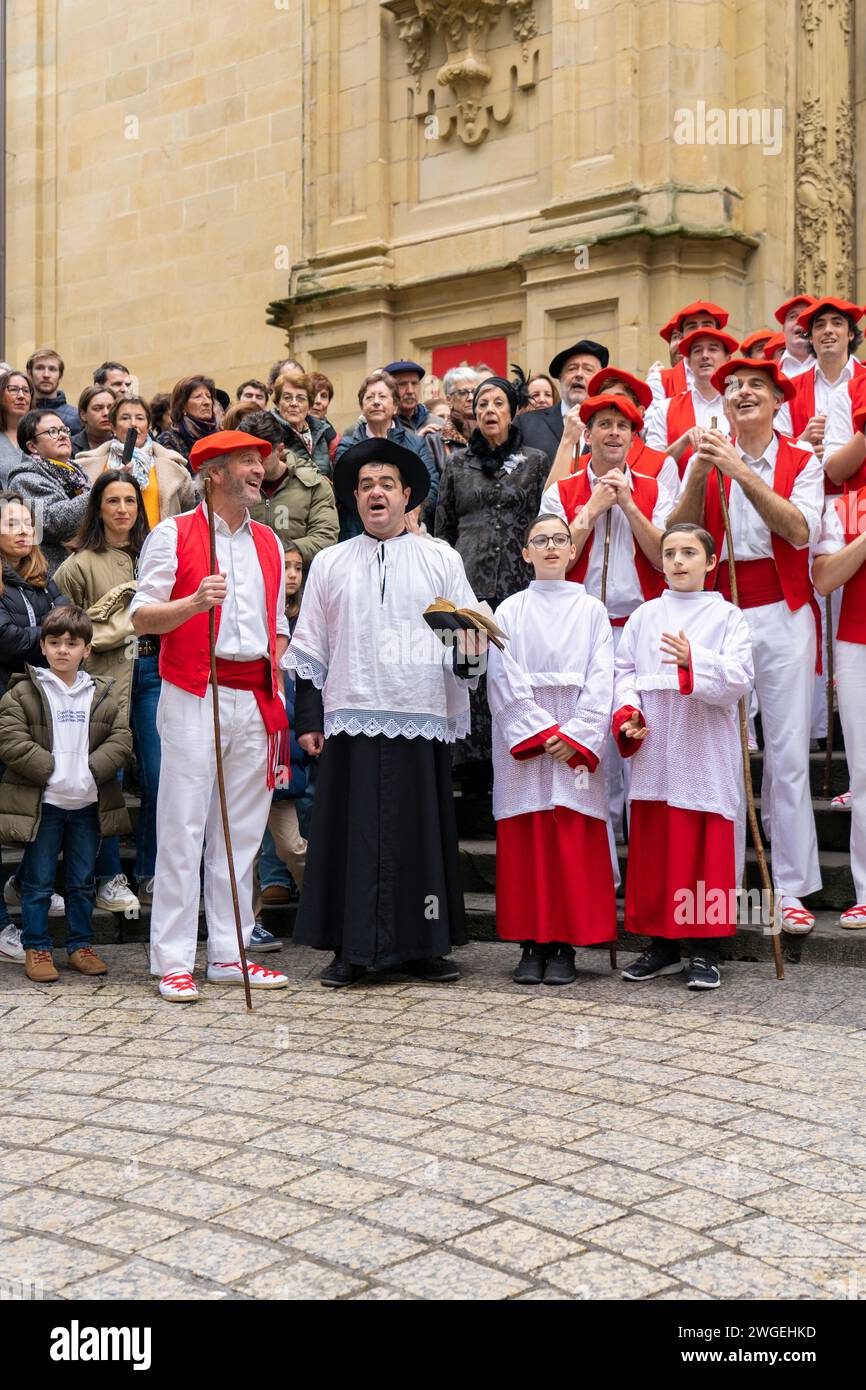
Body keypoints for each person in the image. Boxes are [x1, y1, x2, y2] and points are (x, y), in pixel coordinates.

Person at [287, 437, 482, 987]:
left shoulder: (441, 557)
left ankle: (424, 945)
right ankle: (351, 948)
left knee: (420, 833)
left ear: (407, 498)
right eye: (367, 485)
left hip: (419, 712)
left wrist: (471, 655)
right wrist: (307, 720)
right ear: (355, 497)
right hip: (350, 714)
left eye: (387, 485)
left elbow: (467, 637)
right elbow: (310, 649)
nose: (376, 493)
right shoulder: (329, 562)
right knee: (351, 835)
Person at [130, 429, 290, 1001]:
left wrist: (277, 670)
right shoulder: (172, 534)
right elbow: (142, 616)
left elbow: (278, 627)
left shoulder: (269, 540)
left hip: (256, 696)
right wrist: (194, 603)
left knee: (242, 833)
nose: (258, 470)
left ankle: (231, 952)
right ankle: (172, 958)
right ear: (214, 473)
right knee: (182, 825)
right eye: (247, 462)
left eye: (260, 462)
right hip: (195, 690)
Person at [667, 355, 824, 933]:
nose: (741, 393)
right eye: (732, 387)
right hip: (720, 610)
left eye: (756, 385)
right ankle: (723, 888)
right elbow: (674, 536)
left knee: (784, 757)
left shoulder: (803, 461)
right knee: (722, 754)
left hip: (782, 611)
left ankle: (789, 888)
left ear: (779, 402)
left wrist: (741, 468)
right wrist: (700, 474)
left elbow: (799, 531)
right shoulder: (705, 458)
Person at [614, 524, 754, 990]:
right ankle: (663, 943)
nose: (677, 561)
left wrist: (695, 660)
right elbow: (623, 671)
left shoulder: (728, 616)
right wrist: (629, 712)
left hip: (703, 744)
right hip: (656, 745)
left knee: (703, 844)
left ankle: (705, 948)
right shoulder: (645, 615)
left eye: (689, 552)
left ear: (711, 562)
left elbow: (738, 679)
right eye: (669, 552)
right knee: (657, 846)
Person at [538, 393, 676, 853]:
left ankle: (642, 861)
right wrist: (592, 508)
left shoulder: (656, 485)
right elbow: (552, 556)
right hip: (585, 628)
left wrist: (630, 506)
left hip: (640, 626)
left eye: (622, 426)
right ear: (589, 434)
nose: (614, 432)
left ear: (633, 437)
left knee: (639, 740)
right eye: (604, 425)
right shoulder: (563, 489)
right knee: (594, 744)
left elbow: (663, 556)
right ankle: (604, 864)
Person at [487, 514, 615, 985]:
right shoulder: (509, 611)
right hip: (528, 739)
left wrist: (579, 732)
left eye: (560, 539)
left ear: (573, 550)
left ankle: (563, 944)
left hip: (574, 735)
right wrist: (541, 731)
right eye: (540, 540)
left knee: (570, 836)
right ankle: (530, 942)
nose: (551, 547)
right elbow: (501, 674)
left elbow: (603, 677)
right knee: (530, 836)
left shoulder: (592, 611)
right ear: (525, 553)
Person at [0, 605, 131, 983]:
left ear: (86, 650)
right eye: (54, 642)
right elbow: (10, 739)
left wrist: (91, 770)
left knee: (80, 881)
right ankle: (37, 947)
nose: (62, 650)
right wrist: (54, 770)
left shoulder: (101, 693)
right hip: (46, 806)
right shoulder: (23, 690)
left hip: (88, 804)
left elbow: (121, 739)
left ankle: (80, 946)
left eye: (71, 644)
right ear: (42, 647)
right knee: (39, 881)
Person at [435, 376, 550, 788]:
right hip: (469, 583)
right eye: (481, 403)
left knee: (513, 673)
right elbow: (444, 528)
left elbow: (543, 519)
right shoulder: (456, 464)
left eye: (497, 402)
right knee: (470, 674)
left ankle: (516, 761)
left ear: (512, 409)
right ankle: (470, 777)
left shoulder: (535, 461)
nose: (488, 410)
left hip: (519, 584)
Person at [55, 472, 158, 914]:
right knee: (107, 778)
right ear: (97, 507)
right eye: (112, 501)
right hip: (104, 680)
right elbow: (62, 629)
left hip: (155, 673)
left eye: (130, 501)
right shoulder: (78, 563)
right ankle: (108, 875)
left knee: (160, 775)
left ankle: (153, 869)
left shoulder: (155, 554)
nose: (122, 509)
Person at [0, 492, 69, 960]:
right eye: (11, 523)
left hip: (38, 712)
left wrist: (46, 634)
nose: (23, 530)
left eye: (28, 522)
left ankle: (24, 884)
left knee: (40, 805)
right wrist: (45, 637)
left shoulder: (45, 580)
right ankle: (3, 924)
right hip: (3, 705)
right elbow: (5, 639)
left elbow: (71, 625)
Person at [334, 371, 436, 539]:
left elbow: (431, 483)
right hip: (357, 531)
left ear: (395, 406)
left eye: (382, 397)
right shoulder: (348, 445)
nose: (376, 402)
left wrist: (412, 508)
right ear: (362, 406)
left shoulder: (414, 443)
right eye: (369, 397)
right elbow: (344, 489)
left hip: (405, 529)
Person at [237, 409, 339, 569]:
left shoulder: (312, 483)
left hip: (296, 583)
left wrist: (278, 552)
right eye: (247, 457)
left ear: (279, 450)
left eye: (262, 456)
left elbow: (325, 537)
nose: (255, 465)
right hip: (246, 576)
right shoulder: (234, 485)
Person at [76, 394, 195, 525]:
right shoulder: (86, 466)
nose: (133, 424)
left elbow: (188, 512)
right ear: (113, 426)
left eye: (139, 418)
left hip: (159, 543)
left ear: (148, 425)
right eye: (125, 418)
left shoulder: (174, 466)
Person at [776, 297, 866, 456]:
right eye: (819, 325)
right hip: (810, 480)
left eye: (837, 323)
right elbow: (775, 452)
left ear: (850, 334)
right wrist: (803, 443)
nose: (828, 330)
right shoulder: (789, 390)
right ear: (810, 337)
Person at [644, 328, 738, 474]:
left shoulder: (743, 407)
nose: (705, 356)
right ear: (688, 361)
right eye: (697, 351)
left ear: (728, 358)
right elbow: (650, 469)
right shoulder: (664, 409)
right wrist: (683, 441)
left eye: (712, 349)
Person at [8, 411, 91, 573]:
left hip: (85, 567)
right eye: (52, 431)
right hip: (51, 574)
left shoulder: (77, 472)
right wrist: (97, 494)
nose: (62, 436)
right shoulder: (24, 479)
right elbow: (53, 524)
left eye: (64, 430)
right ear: (32, 446)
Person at [517, 339, 609, 463]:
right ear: (560, 377)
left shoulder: (612, 428)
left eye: (588, 369)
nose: (579, 374)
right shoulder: (526, 424)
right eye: (572, 369)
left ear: (600, 380)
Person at [646, 301, 730, 404]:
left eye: (707, 325)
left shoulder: (735, 379)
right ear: (682, 336)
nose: (699, 331)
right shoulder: (660, 380)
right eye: (692, 327)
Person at [271, 371, 333, 477]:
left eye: (301, 398)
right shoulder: (266, 428)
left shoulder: (320, 431)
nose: (294, 403)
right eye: (287, 397)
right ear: (277, 402)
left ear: (309, 405)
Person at [156, 375, 219, 463]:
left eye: (208, 396)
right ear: (182, 407)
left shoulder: (220, 435)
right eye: (198, 397)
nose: (207, 402)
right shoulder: (168, 440)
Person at [25, 349, 79, 433]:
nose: (46, 375)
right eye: (40, 368)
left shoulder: (76, 417)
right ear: (29, 373)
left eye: (52, 369)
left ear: (60, 376)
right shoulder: (20, 413)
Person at [0, 369, 34, 486]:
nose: (21, 396)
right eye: (13, 389)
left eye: (26, 390)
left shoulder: (43, 433)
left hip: (39, 503)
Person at [773, 295, 816, 381]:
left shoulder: (839, 367)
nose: (799, 321)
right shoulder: (767, 372)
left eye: (807, 315)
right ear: (784, 330)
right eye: (792, 316)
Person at [71, 385, 116, 458]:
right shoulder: (69, 446)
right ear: (83, 415)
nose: (106, 413)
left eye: (110, 408)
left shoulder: (123, 445)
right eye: (98, 408)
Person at [382, 359, 428, 432]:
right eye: (402, 384)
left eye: (414, 383)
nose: (410, 391)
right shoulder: (378, 426)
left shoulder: (437, 423)